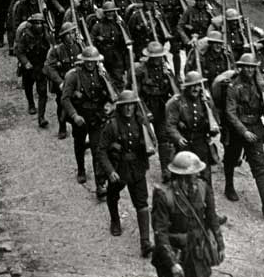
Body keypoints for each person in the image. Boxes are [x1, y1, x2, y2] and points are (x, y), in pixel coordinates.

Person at [151, 151, 225, 277]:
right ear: (181, 177)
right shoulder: (164, 195)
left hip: (197, 250)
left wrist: (220, 245)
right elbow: (160, 232)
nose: (196, 177)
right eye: (193, 174)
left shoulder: (203, 188)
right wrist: (172, 263)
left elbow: (212, 219)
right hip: (173, 250)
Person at [97, 89, 154, 257]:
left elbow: (152, 143)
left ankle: (145, 242)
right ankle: (115, 220)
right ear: (120, 107)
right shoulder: (112, 125)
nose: (129, 109)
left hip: (137, 167)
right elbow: (101, 151)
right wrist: (110, 171)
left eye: (131, 105)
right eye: (125, 106)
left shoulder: (140, 121)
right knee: (113, 195)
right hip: (119, 167)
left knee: (142, 204)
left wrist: (148, 143)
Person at [223, 53, 264, 215]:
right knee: (231, 158)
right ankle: (229, 186)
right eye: (246, 67)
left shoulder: (259, 84)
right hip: (237, 129)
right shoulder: (234, 86)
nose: (249, 70)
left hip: (255, 126)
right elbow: (230, 113)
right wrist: (243, 131)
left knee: (259, 165)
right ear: (241, 67)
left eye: (252, 67)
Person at [61, 45, 114, 198]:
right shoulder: (74, 75)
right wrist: (74, 115)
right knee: (79, 144)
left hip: (97, 117)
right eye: (88, 61)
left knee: (98, 149)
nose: (90, 64)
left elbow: (111, 95)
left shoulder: (101, 74)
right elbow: (65, 98)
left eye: (93, 61)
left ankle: (100, 184)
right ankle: (81, 169)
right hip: (81, 116)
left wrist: (109, 106)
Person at [133, 40, 178, 182]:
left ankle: (166, 169)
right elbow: (136, 95)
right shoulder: (140, 71)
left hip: (161, 107)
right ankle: (141, 166)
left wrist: (170, 77)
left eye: (160, 57)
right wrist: (145, 111)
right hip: (145, 106)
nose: (158, 60)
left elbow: (176, 93)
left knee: (164, 139)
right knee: (141, 139)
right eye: (155, 57)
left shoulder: (166, 69)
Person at [43, 21, 80, 138]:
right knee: (62, 106)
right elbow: (49, 68)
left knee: (78, 106)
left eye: (72, 33)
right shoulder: (57, 50)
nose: (71, 36)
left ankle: (76, 129)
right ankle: (62, 126)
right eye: (68, 34)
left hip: (76, 83)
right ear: (63, 37)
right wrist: (59, 82)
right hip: (63, 84)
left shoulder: (79, 47)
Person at [14, 13, 52, 127]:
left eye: (40, 23)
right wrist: (25, 62)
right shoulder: (26, 35)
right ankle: (31, 103)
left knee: (42, 92)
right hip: (29, 67)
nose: (39, 25)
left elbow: (52, 48)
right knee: (28, 86)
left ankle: (41, 117)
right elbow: (19, 51)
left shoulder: (46, 34)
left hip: (41, 66)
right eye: (36, 23)